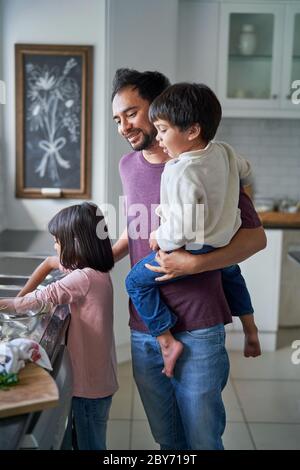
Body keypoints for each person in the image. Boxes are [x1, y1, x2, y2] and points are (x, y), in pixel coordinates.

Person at [112, 68, 266, 450]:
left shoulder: (207, 163)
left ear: (159, 107)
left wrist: (195, 264)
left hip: (198, 326)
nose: (123, 127)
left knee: (202, 441)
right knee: (168, 442)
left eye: (131, 113)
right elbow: (134, 230)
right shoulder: (127, 166)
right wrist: (84, 259)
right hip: (144, 326)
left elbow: (255, 239)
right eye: (117, 118)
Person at [125, 82, 261, 378]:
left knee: (135, 282)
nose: (159, 138)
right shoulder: (224, 152)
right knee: (231, 273)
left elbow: (182, 226)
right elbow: (247, 170)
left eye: (162, 129)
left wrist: (159, 237)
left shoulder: (181, 170)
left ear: (192, 131)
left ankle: (165, 339)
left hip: (192, 247)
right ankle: (250, 327)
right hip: (220, 245)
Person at [0, 202, 118, 450]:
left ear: (75, 242)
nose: (55, 245)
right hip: (99, 379)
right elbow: (49, 263)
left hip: (89, 387)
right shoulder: (95, 270)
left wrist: (12, 303)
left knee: (90, 445)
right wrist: (23, 293)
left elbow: (43, 298)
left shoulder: (82, 278)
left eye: (58, 240)